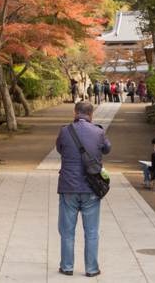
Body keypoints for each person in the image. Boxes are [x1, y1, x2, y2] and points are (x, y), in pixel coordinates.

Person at [57, 101, 110, 277]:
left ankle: (67, 266)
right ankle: (92, 269)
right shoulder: (99, 132)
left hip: (68, 187)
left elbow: (59, 148)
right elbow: (107, 149)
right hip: (92, 188)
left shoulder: (65, 131)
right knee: (92, 231)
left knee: (67, 230)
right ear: (92, 116)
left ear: (74, 113)